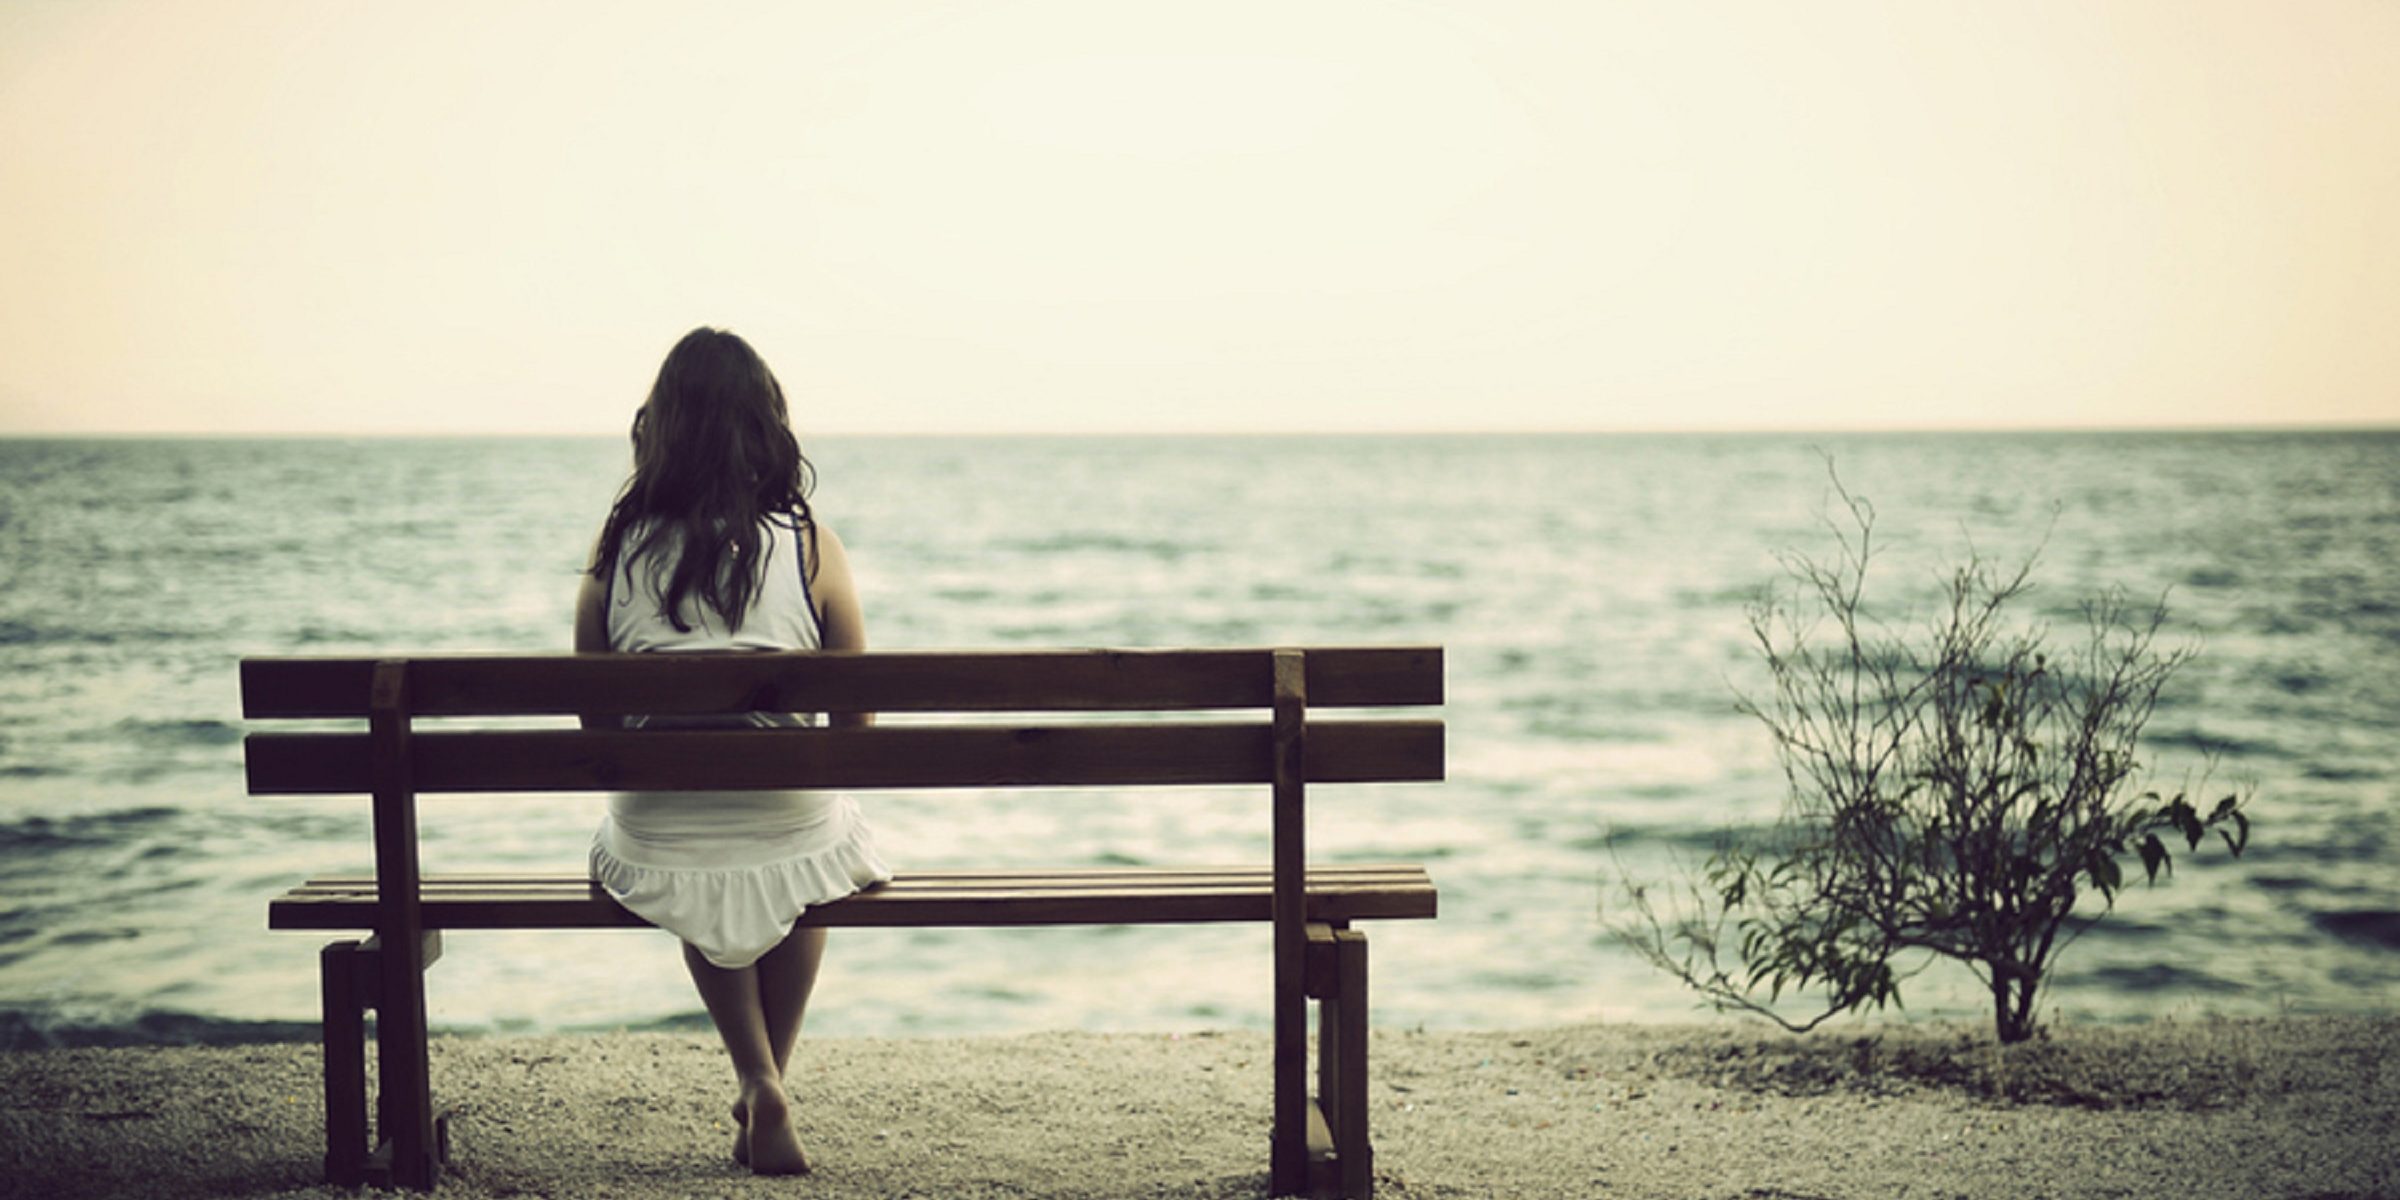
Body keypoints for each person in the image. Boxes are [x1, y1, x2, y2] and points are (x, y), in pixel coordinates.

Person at [575, 327, 891, 1175]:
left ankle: (758, 1082)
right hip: (789, 818)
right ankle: (765, 1083)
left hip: (661, 830)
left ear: (662, 428)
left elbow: (595, 728)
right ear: (765, 426)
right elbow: (856, 726)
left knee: (699, 863)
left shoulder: (616, 551)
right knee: (809, 856)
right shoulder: (813, 545)